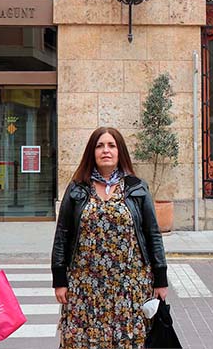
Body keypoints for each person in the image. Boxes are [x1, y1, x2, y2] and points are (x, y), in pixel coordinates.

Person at [52, 127, 169, 348]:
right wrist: (59, 279)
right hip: (84, 287)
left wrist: (160, 278)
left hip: (129, 286)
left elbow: (153, 233)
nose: (106, 150)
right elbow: (62, 234)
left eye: (111, 145)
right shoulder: (77, 188)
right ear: (92, 152)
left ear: (120, 152)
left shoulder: (137, 188)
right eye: (100, 145)